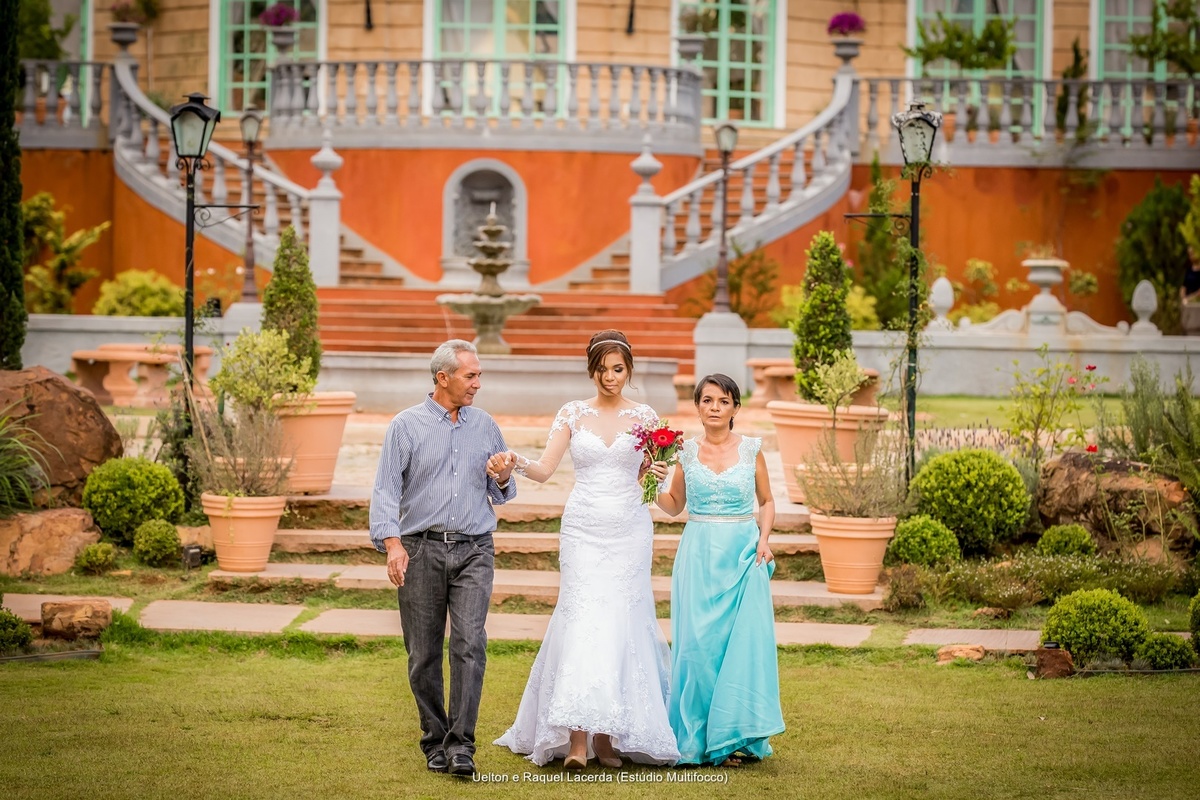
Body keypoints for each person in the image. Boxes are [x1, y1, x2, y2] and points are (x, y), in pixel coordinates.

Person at [493, 329, 680, 768]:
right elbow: (544, 470)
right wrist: (514, 461)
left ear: (628, 370)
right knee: (582, 621)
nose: (609, 377)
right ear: (591, 370)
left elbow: (650, 483)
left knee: (622, 623)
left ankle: (607, 738)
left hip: (630, 529)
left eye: (618, 369)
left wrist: (654, 474)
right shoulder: (573, 413)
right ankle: (577, 740)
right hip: (583, 530)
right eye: (602, 369)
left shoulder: (646, 417)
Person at [369, 339, 517, 778]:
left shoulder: (485, 425)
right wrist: (392, 544)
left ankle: (461, 746)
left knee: (470, 644)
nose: (477, 383)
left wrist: (503, 475)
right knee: (423, 653)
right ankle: (434, 740)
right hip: (420, 548)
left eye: (479, 375)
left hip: (475, 548)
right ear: (443, 377)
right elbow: (385, 490)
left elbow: (501, 490)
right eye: (470, 376)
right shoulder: (405, 426)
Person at [654, 373, 785, 766]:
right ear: (697, 407)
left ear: (735, 408)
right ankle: (698, 738)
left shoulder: (752, 450)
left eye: (723, 401)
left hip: (741, 554)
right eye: (707, 400)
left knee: (737, 648)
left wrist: (764, 540)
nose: (714, 407)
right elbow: (674, 505)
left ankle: (732, 736)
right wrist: (653, 485)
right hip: (697, 556)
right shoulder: (683, 452)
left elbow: (767, 501)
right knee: (698, 649)